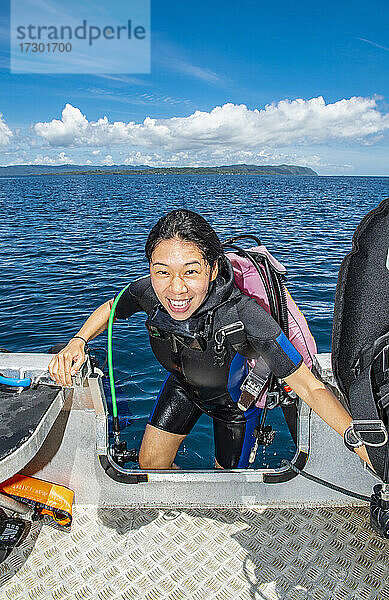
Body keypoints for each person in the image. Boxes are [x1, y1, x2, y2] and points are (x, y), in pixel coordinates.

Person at [48, 209, 372, 470]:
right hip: (183, 387)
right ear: (150, 269)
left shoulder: (244, 315)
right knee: (150, 465)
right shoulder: (148, 292)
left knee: (225, 481)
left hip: (236, 404)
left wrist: (360, 442)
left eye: (191, 271)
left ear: (213, 269)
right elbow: (112, 307)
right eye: (162, 272)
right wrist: (78, 340)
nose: (176, 289)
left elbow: (310, 385)